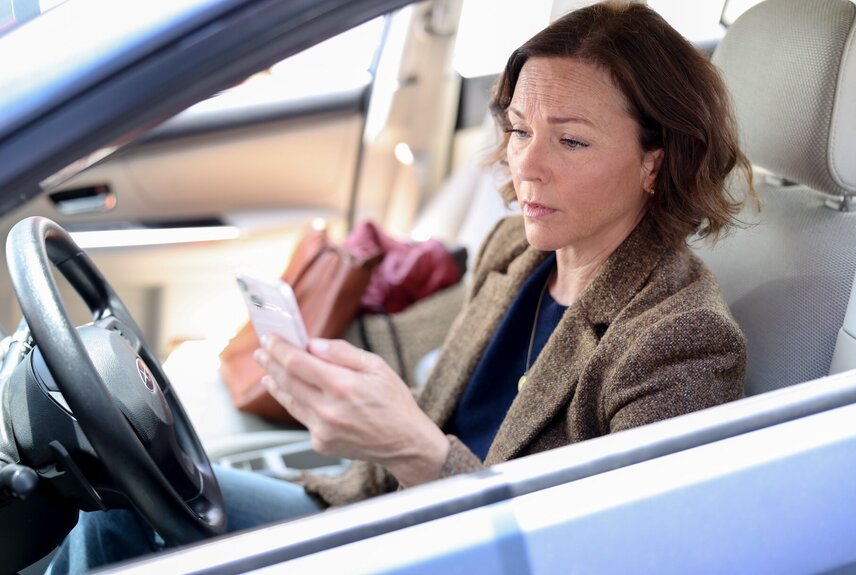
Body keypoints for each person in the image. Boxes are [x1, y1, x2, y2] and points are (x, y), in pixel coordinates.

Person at [47, 1, 756, 571]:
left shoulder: (681, 339)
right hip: (375, 517)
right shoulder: (518, 249)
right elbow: (450, 415)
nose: (525, 167)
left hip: (450, 551)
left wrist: (416, 450)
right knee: (118, 499)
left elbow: (606, 559)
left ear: (654, 163)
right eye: (517, 130)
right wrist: (359, 402)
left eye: (570, 141)